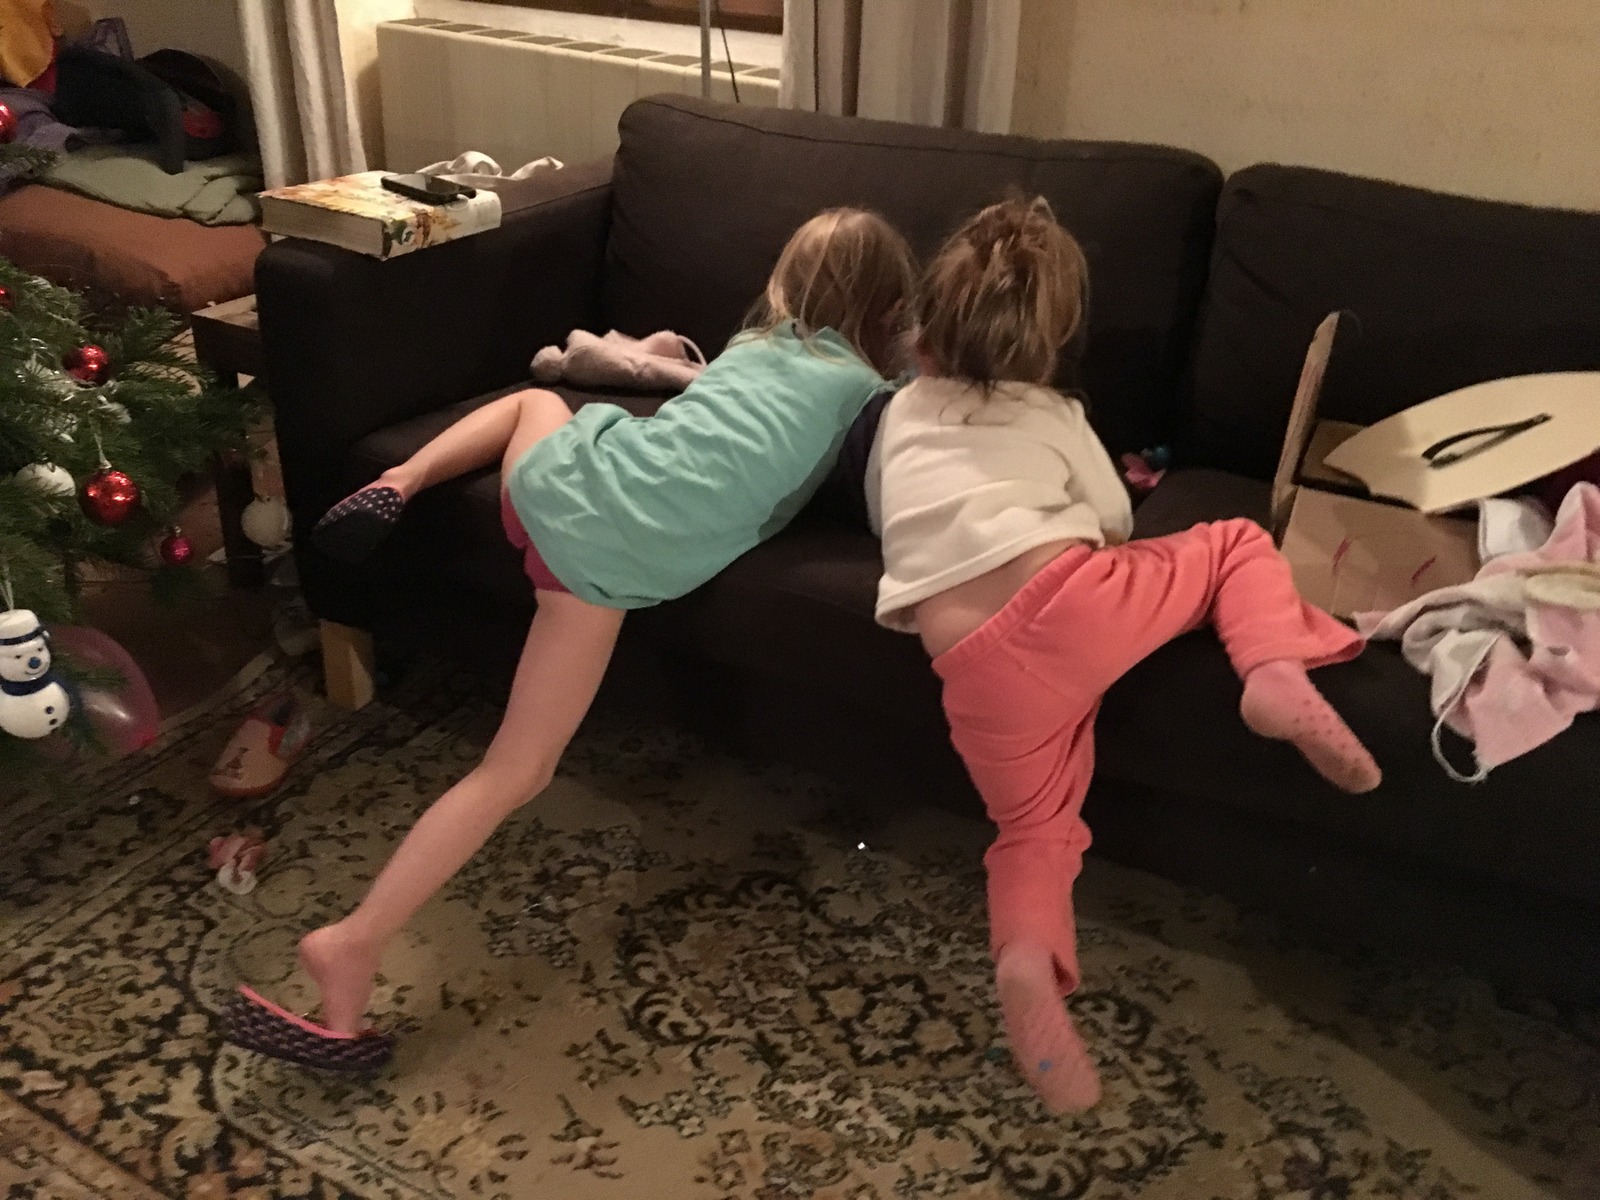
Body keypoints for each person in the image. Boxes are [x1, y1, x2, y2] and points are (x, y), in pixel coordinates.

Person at [225, 208, 918, 1071]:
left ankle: (403, 477)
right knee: (514, 771)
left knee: (536, 401)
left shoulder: (749, 348)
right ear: (889, 312)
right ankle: (351, 940)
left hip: (554, 494)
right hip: (608, 559)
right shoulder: (864, 392)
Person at [868, 196, 1380, 1113]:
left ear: (925, 334)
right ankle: (1272, 674)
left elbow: (887, 517)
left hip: (971, 671)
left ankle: (1027, 959)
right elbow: (1114, 521)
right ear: (1046, 342)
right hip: (1070, 603)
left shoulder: (900, 413)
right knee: (1232, 543)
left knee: (1033, 831)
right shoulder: (1053, 412)